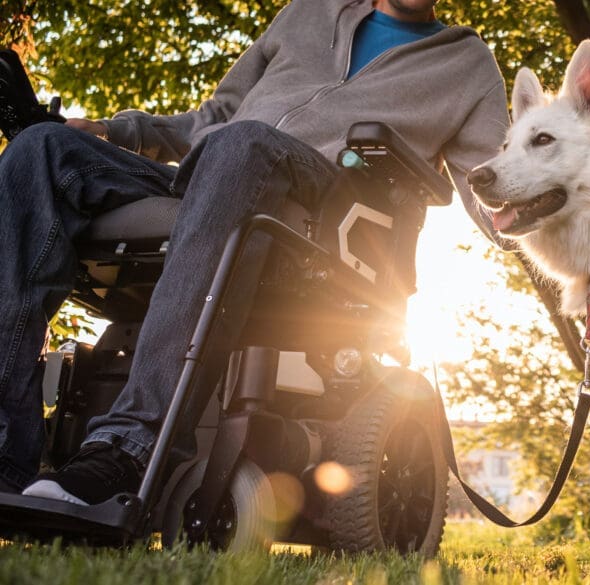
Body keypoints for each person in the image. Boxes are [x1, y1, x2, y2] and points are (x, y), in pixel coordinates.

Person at [0, 0, 509, 504]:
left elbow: (499, 186)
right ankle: (7, 453)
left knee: (243, 146)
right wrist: (117, 131)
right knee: (41, 148)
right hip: (212, 174)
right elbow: (218, 117)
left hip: (324, 210)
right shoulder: (307, 11)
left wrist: (554, 215)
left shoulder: (466, 63)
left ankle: (130, 446)